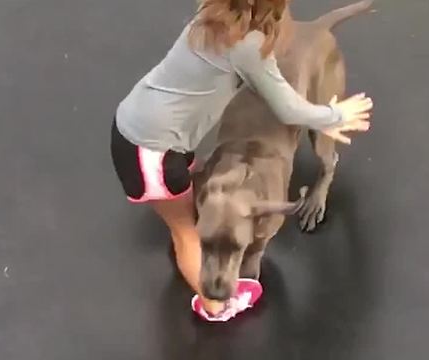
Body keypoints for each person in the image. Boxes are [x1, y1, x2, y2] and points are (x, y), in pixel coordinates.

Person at [109, 0, 373, 321]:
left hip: (145, 121)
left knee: (190, 204)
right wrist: (336, 114)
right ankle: (217, 307)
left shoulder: (208, 11)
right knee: (186, 233)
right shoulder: (248, 47)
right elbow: (289, 109)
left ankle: (195, 231)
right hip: (151, 147)